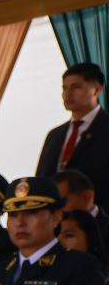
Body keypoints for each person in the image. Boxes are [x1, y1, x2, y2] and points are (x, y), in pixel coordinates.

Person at [36, 61, 108, 196]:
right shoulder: (54, 135)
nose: (67, 94)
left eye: (76, 87)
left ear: (97, 90)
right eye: (64, 88)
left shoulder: (104, 128)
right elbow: (41, 180)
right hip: (54, 215)